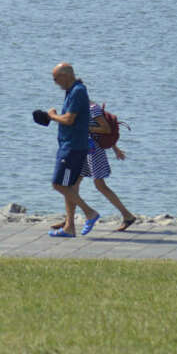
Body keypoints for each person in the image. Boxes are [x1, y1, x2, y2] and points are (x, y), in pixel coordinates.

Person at [53, 101, 137, 235]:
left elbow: (105, 129)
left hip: (94, 152)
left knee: (100, 185)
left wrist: (85, 128)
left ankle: (127, 216)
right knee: (72, 186)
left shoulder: (92, 108)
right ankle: (69, 221)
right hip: (82, 150)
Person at [46, 61, 92, 238]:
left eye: (56, 78)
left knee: (59, 184)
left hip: (72, 147)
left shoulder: (77, 91)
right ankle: (69, 227)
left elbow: (69, 119)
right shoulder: (72, 91)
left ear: (65, 76)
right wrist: (51, 118)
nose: (55, 82)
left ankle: (89, 212)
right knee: (70, 186)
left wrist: (52, 116)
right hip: (70, 144)